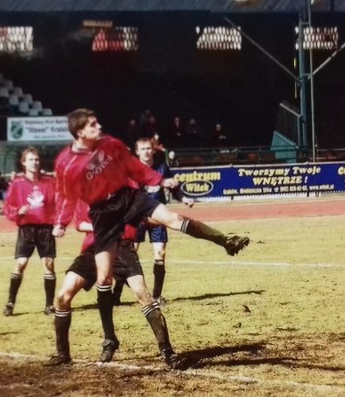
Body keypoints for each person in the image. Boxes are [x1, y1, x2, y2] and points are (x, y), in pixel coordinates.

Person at [52, 109, 249, 360]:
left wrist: (160, 180)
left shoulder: (110, 144)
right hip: (104, 214)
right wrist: (60, 222)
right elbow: (67, 196)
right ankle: (108, 339)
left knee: (174, 219)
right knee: (103, 278)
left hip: (128, 197)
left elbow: (133, 166)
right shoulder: (66, 164)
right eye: (92, 124)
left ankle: (225, 241)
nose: (99, 126)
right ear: (80, 132)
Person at [48, 201, 185, 369]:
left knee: (142, 294)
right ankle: (63, 352)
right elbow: (80, 223)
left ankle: (167, 351)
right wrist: (102, 228)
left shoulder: (123, 193)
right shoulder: (85, 195)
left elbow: (144, 216)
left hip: (122, 248)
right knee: (63, 296)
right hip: (94, 248)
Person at [113, 137, 194, 306]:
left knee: (160, 255)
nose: (147, 152)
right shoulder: (133, 169)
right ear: (137, 152)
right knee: (129, 256)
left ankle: (157, 296)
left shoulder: (161, 168)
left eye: (149, 148)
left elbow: (173, 187)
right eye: (143, 149)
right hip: (136, 219)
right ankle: (116, 293)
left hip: (158, 217)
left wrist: (184, 198)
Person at [2, 147, 57, 317]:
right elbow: (7, 206)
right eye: (31, 159)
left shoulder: (49, 182)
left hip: (46, 229)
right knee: (21, 264)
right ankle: (10, 303)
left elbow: (59, 201)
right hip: (27, 229)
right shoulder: (17, 183)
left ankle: (49, 305)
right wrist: (18, 211)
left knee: (48, 265)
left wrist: (58, 223)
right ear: (24, 162)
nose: (35, 162)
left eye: (37, 159)